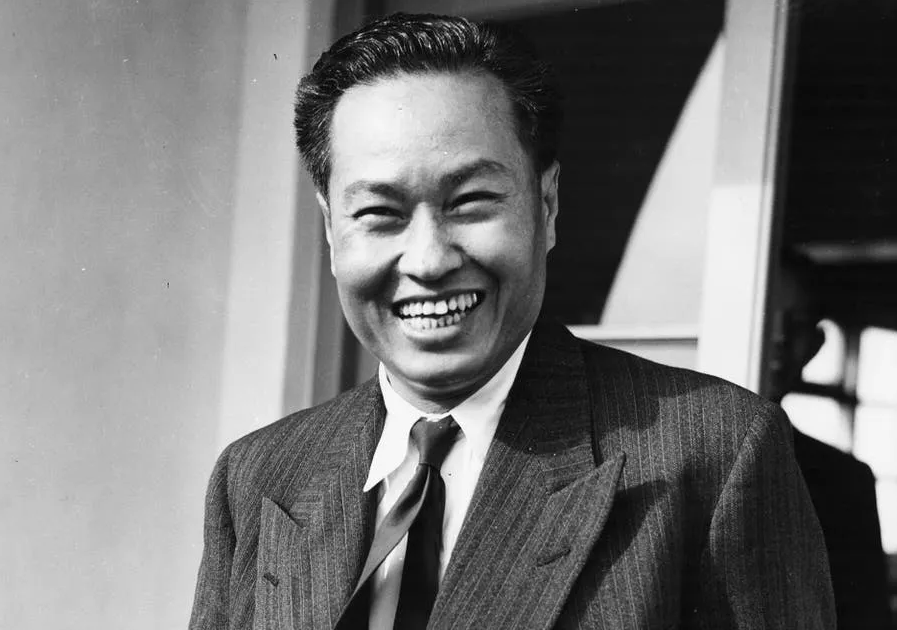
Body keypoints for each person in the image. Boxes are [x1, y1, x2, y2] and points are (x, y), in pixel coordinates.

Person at [190, 13, 835, 629]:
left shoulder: (713, 455)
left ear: (546, 206)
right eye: (380, 213)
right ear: (332, 230)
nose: (430, 260)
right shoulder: (259, 477)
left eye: (471, 201)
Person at [767, 254, 892, 629]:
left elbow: (866, 617)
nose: (779, 337)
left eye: (796, 324)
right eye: (765, 315)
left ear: (815, 345)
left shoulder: (845, 480)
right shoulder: (673, 453)